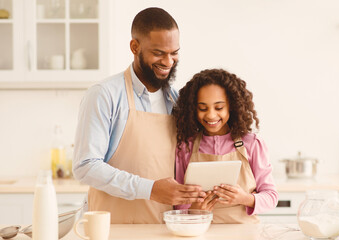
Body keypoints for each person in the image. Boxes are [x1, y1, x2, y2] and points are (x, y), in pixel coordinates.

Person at [72, 7, 205, 224]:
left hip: (163, 227)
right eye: (159, 53)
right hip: (112, 227)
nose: (168, 62)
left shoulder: (176, 100)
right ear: (135, 47)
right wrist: (150, 189)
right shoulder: (104, 95)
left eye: (174, 53)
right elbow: (85, 166)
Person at [172, 69, 279, 223]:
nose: (210, 115)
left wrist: (246, 198)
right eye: (202, 108)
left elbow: (271, 197)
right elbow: (179, 204)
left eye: (219, 108)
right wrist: (194, 209)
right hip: (201, 232)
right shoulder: (185, 147)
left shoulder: (252, 144)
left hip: (245, 234)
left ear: (232, 106)